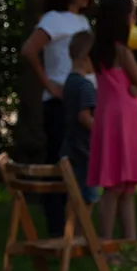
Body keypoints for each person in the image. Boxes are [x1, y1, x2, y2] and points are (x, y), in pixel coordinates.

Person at [20, 0, 93, 236]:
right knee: (60, 161)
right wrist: (49, 83)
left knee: (81, 162)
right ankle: (56, 227)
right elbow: (30, 49)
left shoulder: (83, 22)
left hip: (82, 97)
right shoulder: (53, 19)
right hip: (59, 101)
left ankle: (77, 225)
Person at [87, 0, 137, 242]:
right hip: (126, 119)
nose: (135, 19)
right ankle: (111, 243)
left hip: (107, 118)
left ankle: (123, 243)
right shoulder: (122, 51)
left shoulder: (97, 51)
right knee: (120, 187)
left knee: (120, 186)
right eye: (132, 14)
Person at [59, 31, 101, 208]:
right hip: (84, 151)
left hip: (70, 147)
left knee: (75, 199)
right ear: (88, 57)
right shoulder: (86, 86)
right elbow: (84, 116)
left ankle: (75, 233)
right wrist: (102, 131)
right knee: (87, 199)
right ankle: (82, 234)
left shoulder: (69, 82)